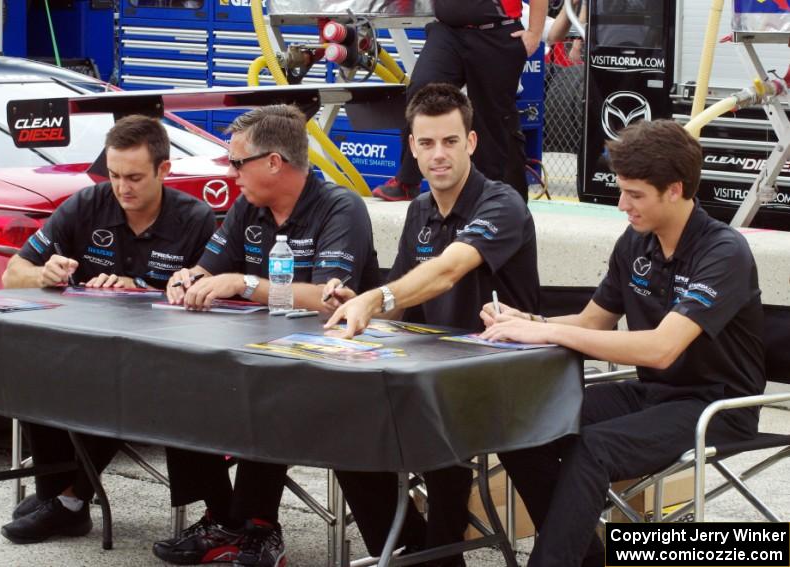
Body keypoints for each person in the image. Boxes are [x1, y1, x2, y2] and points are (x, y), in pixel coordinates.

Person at [482, 119, 764, 567]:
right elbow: (595, 321)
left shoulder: (724, 251)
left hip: (718, 407)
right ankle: (586, 557)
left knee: (595, 447)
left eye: (635, 195)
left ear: (675, 190)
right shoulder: (635, 242)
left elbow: (661, 348)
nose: (621, 205)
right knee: (523, 425)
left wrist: (548, 331)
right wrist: (527, 321)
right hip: (654, 394)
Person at [153, 104, 380, 567]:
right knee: (176, 381)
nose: (232, 173)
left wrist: (245, 284)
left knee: (268, 392)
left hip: (329, 368)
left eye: (238, 163)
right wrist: (187, 277)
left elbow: (330, 299)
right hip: (254, 354)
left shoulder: (340, 206)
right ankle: (223, 519)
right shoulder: (248, 206)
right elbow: (208, 266)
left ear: (274, 162)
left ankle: (258, 528)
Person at [323, 84, 539, 566]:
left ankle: (439, 556)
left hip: (507, 378)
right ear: (412, 148)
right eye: (426, 143)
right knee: (339, 426)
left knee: (442, 439)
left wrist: (378, 297)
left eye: (450, 141)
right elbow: (403, 299)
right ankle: (407, 548)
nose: (438, 155)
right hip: (433, 372)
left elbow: (445, 272)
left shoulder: (501, 203)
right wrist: (360, 302)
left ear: (472, 143)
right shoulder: (419, 209)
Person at [0, 114, 216, 543]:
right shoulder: (87, 203)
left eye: (134, 177)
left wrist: (139, 289)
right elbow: (13, 274)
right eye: (115, 176)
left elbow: (213, 298)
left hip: (161, 359)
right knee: (30, 367)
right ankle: (60, 495)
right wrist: (46, 275)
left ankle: (67, 500)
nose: (123, 188)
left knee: (122, 385)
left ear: (164, 171)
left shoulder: (195, 218)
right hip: (82, 349)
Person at [372, 0, 548, 202]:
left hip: (496, 33)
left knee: (495, 119)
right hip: (448, 31)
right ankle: (407, 181)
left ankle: (507, 198)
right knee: (421, 90)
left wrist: (535, 33)